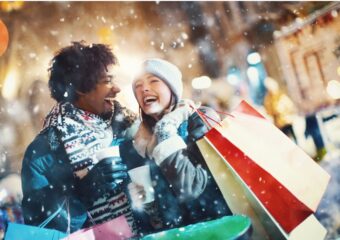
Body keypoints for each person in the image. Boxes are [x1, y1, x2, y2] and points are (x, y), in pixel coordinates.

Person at [21, 41, 138, 233]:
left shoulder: (129, 128)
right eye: (107, 80)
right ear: (81, 88)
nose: (117, 88)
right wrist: (84, 190)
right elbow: (40, 229)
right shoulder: (43, 152)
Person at [121, 58, 232, 233]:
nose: (144, 88)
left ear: (172, 88)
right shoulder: (138, 144)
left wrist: (166, 129)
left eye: (154, 80)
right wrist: (141, 203)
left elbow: (190, 187)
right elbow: (151, 211)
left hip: (214, 231)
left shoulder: (199, 120)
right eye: (138, 85)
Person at [263, 77, 297, 143]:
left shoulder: (281, 95)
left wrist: (283, 111)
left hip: (287, 120)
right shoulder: (268, 99)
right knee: (285, 140)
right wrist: (274, 112)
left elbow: (289, 105)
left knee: (292, 138)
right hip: (279, 123)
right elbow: (268, 110)